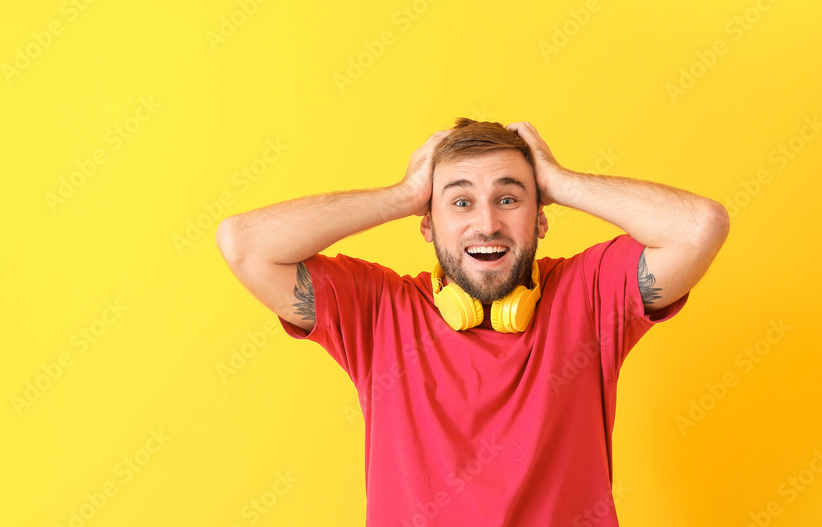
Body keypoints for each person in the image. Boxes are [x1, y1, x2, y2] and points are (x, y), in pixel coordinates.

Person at [215, 118, 729, 526]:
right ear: (427, 223)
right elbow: (244, 245)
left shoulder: (591, 295)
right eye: (459, 202)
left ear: (541, 218)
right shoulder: (376, 310)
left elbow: (700, 227)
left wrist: (560, 180)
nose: (487, 223)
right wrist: (401, 193)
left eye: (509, 199)